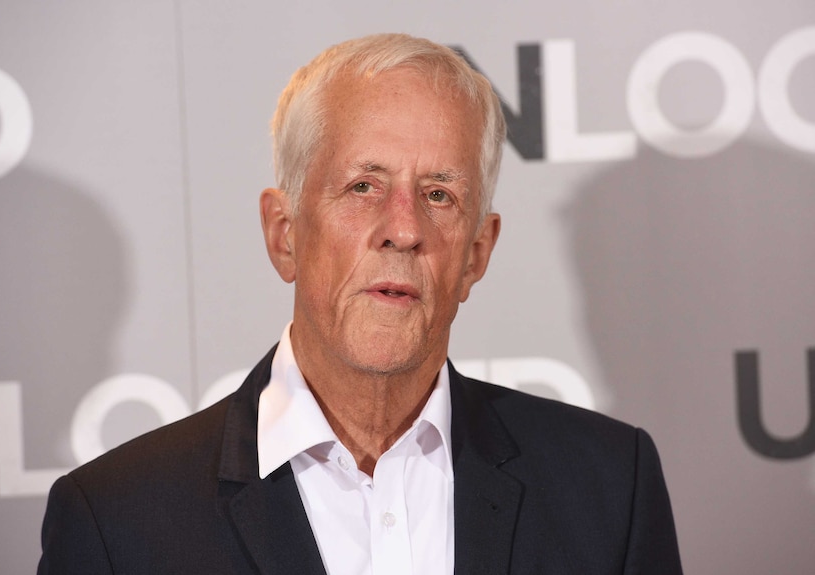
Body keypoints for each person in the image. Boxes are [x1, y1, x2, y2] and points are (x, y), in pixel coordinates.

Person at [37, 33, 682, 574]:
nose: (403, 229)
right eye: (362, 185)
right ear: (284, 234)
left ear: (476, 254)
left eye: (438, 195)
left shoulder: (608, 487)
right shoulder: (116, 523)